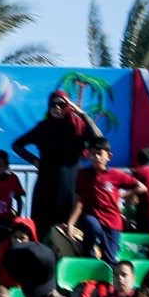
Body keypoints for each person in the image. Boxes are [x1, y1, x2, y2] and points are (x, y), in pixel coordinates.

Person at [13, 91, 99, 240]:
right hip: (46, 186)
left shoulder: (78, 127)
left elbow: (98, 140)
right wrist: (34, 160)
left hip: (71, 186)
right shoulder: (43, 127)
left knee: (70, 230)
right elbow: (17, 145)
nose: (57, 108)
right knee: (42, 229)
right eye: (53, 104)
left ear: (68, 106)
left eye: (61, 104)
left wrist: (82, 114)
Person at [68, 138, 133, 266]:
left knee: (110, 260)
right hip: (92, 217)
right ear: (89, 155)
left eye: (100, 153)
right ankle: (89, 256)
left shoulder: (116, 174)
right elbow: (79, 201)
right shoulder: (83, 174)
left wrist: (122, 195)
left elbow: (141, 187)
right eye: (93, 154)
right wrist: (71, 223)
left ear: (108, 156)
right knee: (92, 226)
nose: (96, 157)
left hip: (113, 221)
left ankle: (107, 283)